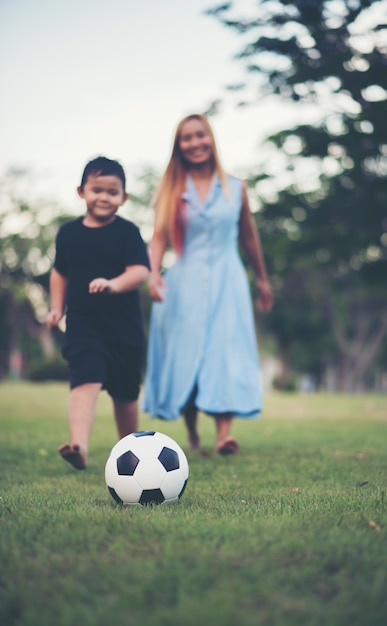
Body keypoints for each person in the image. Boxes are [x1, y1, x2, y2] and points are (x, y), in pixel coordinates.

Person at [142, 114, 273, 455]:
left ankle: (223, 436)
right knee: (187, 357)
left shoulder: (236, 187)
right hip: (183, 286)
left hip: (227, 283)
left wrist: (262, 279)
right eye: (187, 138)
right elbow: (158, 238)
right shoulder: (171, 189)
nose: (195, 142)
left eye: (200, 135)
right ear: (179, 146)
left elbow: (249, 238)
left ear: (211, 138)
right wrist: (152, 273)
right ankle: (193, 431)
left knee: (223, 353)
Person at [47, 156, 150, 470]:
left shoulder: (127, 232)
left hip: (124, 329)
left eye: (112, 191)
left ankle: (131, 451)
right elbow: (59, 272)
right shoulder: (68, 233)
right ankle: (79, 446)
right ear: (81, 191)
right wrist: (55, 307)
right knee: (84, 381)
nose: (104, 197)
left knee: (125, 393)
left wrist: (113, 284)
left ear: (124, 198)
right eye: (97, 189)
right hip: (83, 325)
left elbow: (140, 271)